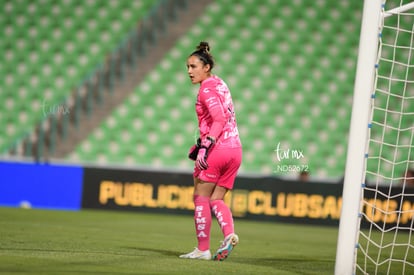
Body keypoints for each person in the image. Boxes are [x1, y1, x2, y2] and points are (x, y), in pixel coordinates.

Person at [179, 42, 243, 261]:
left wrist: (205, 146)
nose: (189, 71)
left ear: (206, 67)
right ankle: (229, 235)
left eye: (193, 66)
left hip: (217, 149)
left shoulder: (206, 89)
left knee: (200, 196)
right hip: (235, 150)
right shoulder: (220, 83)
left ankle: (202, 249)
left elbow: (219, 118)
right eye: (187, 67)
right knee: (217, 199)